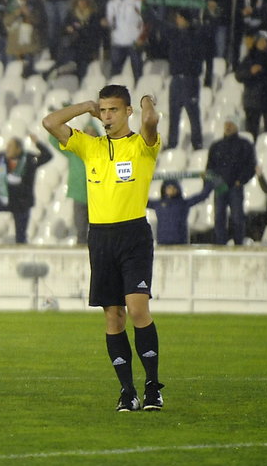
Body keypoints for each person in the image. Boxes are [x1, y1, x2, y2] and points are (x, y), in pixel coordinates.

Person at [42, 86, 163, 412]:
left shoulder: (142, 146)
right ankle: (128, 391)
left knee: (138, 310)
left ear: (127, 112)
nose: (107, 116)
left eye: (114, 110)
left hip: (134, 234)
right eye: (104, 110)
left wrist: (145, 98)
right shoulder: (90, 146)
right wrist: (85, 106)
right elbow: (50, 122)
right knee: (114, 317)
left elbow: (150, 117)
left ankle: (153, 386)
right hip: (101, 238)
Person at [0, 133, 52, 244]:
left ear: (18, 149)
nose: (7, 149)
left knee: (21, 236)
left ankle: (21, 245)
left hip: (21, 201)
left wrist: (37, 143)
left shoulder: (29, 160)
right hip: (4, 197)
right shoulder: (1, 159)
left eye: (11, 146)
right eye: (7, 146)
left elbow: (47, 156)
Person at [206, 118, 255, 246]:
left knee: (237, 218)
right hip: (220, 186)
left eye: (231, 124)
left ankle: (239, 245)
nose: (228, 127)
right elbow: (210, 167)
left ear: (236, 127)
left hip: (235, 186)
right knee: (219, 218)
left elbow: (250, 166)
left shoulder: (245, 144)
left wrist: (241, 180)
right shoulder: (216, 146)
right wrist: (215, 182)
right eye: (226, 124)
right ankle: (220, 245)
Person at [163, 11, 207, 150]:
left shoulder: (196, 35)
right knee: (174, 114)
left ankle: (197, 143)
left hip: (190, 79)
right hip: (176, 79)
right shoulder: (175, 34)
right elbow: (160, 25)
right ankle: (172, 143)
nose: (178, 20)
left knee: (193, 113)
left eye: (180, 18)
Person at [50, 125, 97, 244]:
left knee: (98, 231)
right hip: (80, 195)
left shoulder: (102, 151)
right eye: (87, 133)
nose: (90, 135)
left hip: (98, 197)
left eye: (92, 133)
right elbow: (54, 140)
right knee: (81, 230)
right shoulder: (74, 150)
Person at [147, 179, 213, 246]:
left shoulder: (183, 203)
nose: (172, 190)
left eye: (174, 188)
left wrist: (210, 182)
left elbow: (202, 196)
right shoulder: (159, 204)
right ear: (164, 189)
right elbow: (142, 201)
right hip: (163, 242)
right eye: (169, 187)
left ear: (178, 189)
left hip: (180, 242)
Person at [106, 0, 144, 80]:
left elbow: (145, 19)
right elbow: (110, 22)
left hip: (134, 41)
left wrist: (142, 38)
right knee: (115, 74)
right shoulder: (112, 2)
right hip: (118, 42)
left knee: (137, 72)